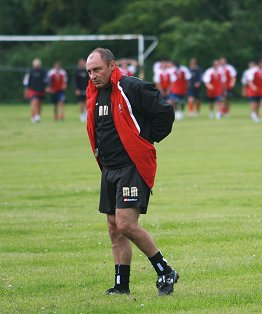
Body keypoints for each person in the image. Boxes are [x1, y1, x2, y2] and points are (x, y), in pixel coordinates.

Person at [85, 48, 178, 296]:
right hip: (110, 169)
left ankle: (165, 271)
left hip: (132, 167)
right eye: (89, 71)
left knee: (126, 224)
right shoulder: (95, 95)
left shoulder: (132, 87)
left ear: (112, 66)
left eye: (97, 70)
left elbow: (165, 113)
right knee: (114, 227)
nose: (93, 76)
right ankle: (121, 285)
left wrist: (146, 140)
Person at [23, 58, 47, 123]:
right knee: (34, 102)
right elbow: (26, 81)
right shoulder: (30, 71)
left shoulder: (43, 71)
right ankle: (34, 116)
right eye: (36, 64)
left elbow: (46, 80)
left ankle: (38, 116)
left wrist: (46, 87)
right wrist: (26, 90)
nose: (37, 66)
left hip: (41, 90)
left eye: (38, 64)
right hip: (33, 90)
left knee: (39, 104)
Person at [246, 59, 262, 123]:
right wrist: (253, 86)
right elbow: (249, 81)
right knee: (255, 105)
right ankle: (255, 115)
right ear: (258, 64)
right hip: (255, 91)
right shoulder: (253, 71)